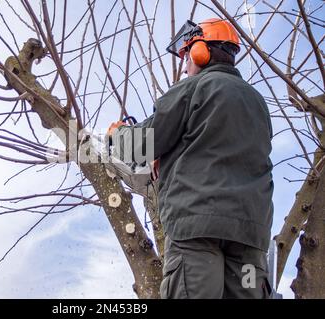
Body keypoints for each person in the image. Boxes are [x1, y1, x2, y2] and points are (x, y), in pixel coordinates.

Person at [108, 18, 274, 299]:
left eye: (186, 56)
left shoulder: (193, 88)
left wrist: (118, 135)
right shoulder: (258, 102)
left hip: (197, 227)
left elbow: (144, 143)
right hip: (250, 234)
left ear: (200, 52)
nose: (186, 65)